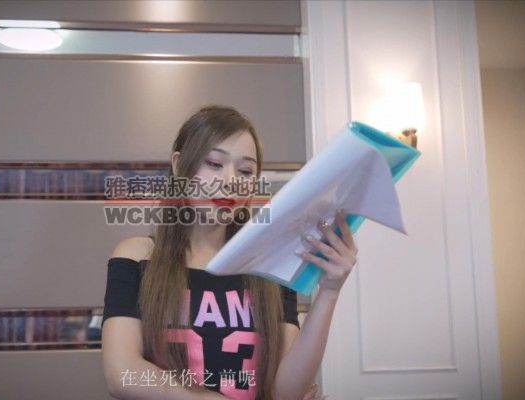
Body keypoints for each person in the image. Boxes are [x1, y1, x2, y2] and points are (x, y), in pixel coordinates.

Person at [101, 105, 358, 400]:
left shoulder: (269, 267)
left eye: (245, 171)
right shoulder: (137, 257)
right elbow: (121, 373)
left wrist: (329, 291)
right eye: (214, 163)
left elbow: (286, 392)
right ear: (179, 165)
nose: (230, 181)